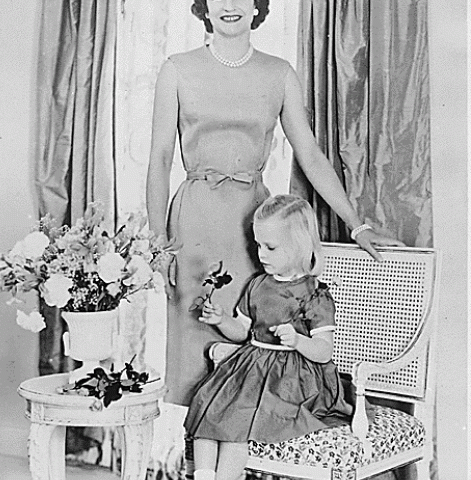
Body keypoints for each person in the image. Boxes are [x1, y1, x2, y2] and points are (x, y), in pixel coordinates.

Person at [146, 0, 404, 406]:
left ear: (256, 7)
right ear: (204, 7)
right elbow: (160, 158)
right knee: (193, 349)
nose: (229, 6)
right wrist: (158, 243)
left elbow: (311, 155)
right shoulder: (176, 68)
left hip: (254, 228)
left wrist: (357, 224)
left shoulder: (279, 72)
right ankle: (196, 465)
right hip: (193, 227)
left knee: (254, 340)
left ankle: (247, 465)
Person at [184, 194, 356, 480]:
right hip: (251, 368)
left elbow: (324, 351)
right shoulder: (258, 285)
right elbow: (242, 332)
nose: (261, 254)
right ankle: (203, 475)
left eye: (271, 247)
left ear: (299, 245)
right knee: (210, 408)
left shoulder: (314, 294)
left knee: (236, 422)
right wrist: (222, 320)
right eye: (258, 245)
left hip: (291, 378)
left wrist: (299, 341)